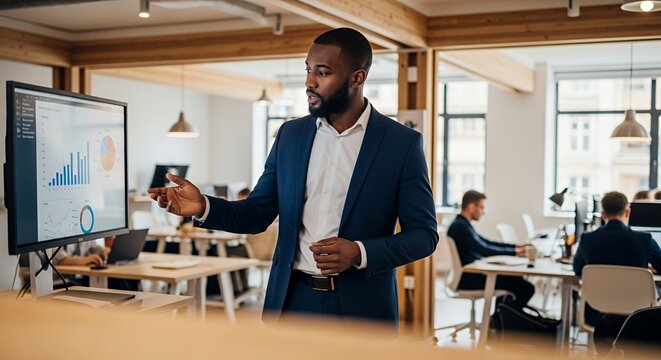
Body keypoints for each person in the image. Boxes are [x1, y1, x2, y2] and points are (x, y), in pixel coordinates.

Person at [148, 27, 438, 325]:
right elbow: (257, 213)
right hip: (290, 302)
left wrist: (359, 252)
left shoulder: (400, 144)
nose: (309, 82)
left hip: (362, 310)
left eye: (322, 73)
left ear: (357, 78)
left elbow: (424, 235)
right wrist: (204, 206)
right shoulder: (290, 135)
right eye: (308, 70)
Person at [573, 191, 661, 354]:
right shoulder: (645, 239)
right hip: (637, 314)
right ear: (628, 211)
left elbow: (577, 270)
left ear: (603, 214)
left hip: (597, 311)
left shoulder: (587, 239)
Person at [447, 190, 534, 310]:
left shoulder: (463, 224)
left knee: (518, 279)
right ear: (472, 207)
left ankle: (497, 319)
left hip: (472, 275)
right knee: (526, 288)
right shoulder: (460, 226)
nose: (483, 212)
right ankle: (499, 320)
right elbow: (484, 250)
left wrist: (515, 247)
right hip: (468, 280)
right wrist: (515, 252)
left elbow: (487, 242)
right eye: (481, 208)